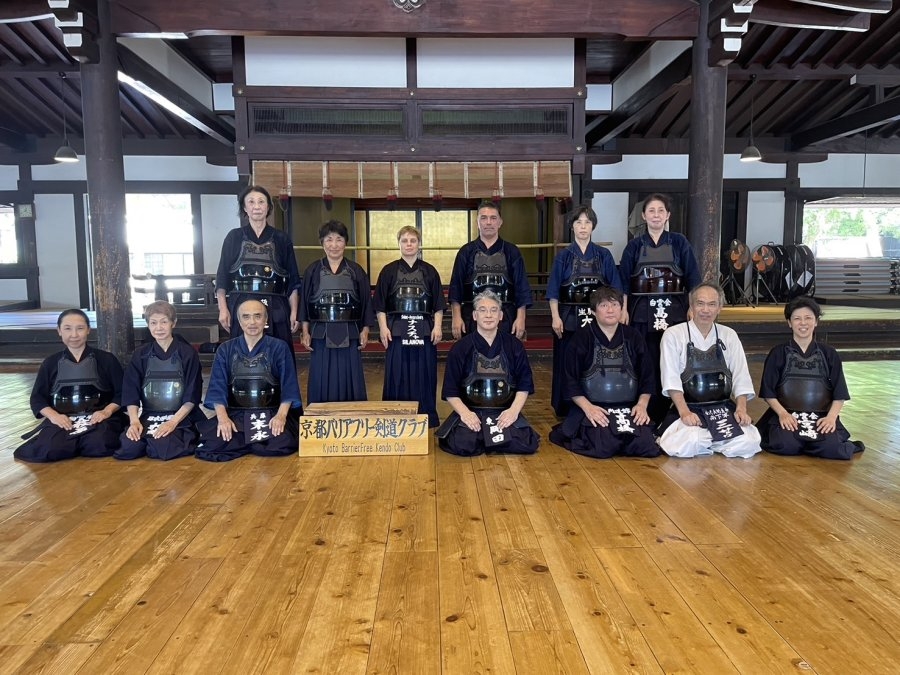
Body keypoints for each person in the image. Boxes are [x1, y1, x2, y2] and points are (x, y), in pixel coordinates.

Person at [549, 287, 659, 459]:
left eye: (615, 305)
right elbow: (570, 380)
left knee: (646, 446)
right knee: (603, 447)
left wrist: (642, 405)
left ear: (621, 309)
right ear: (593, 311)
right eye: (604, 305)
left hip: (628, 408)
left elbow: (647, 376)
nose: (610, 310)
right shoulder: (582, 338)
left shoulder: (633, 336)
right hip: (593, 407)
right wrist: (588, 408)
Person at [619, 194, 701, 422]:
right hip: (641, 311)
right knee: (645, 358)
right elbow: (624, 282)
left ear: (668, 215)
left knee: (674, 358)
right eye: (651, 211)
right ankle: (646, 407)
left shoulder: (679, 242)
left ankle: (675, 408)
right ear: (644, 216)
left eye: (660, 211)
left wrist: (692, 306)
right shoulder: (634, 246)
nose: (656, 215)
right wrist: (624, 309)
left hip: (674, 310)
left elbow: (693, 278)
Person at [657, 283, 762, 458]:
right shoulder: (673, 334)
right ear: (691, 306)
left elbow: (741, 376)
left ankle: (711, 440)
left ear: (720, 307)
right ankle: (713, 440)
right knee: (689, 441)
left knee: (750, 441)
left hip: (722, 409)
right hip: (690, 407)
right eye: (700, 303)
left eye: (712, 304)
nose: (705, 310)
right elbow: (671, 379)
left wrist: (741, 409)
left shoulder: (729, 335)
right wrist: (684, 412)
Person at [757, 296, 864, 459]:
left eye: (808, 318)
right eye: (797, 318)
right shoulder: (778, 353)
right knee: (786, 445)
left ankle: (812, 443)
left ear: (816, 321)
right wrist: (783, 414)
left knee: (832, 448)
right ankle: (806, 444)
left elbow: (839, 393)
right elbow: (768, 393)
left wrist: (831, 418)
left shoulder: (829, 354)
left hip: (820, 416)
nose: (803, 323)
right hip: (788, 415)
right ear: (789, 323)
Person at [196, 299, 302, 461]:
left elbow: (289, 385)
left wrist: (281, 416)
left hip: (270, 413)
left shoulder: (279, 347)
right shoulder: (225, 349)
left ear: (266, 319)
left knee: (282, 443)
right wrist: (223, 419)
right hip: (237, 414)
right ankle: (251, 442)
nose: (252, 322)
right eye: (246, 317)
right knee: (214, 444)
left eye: (257, 316)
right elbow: (217, 387)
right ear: (239, 321)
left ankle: (244, 442)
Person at [14, 309, 126, 462]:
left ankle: (76, 443)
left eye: (80, 328)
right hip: (64, 419)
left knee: (99, 444)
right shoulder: (50, 363)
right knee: (51, 449)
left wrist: (106, 412)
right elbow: (37, 399)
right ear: (59, 331)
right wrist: (54, 417)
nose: (74, 335)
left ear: (88, 330)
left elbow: (122, 393)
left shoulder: (107, 359)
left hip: (99, 419)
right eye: (67, 328)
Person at [436, 290, 539, 456]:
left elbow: (524, 385)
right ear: (475, 315)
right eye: (483, 310)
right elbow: (450, 390)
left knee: (526, 442)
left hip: (503, 413)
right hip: (472, 411)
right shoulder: (460, 348)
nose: (488, 315)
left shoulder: (514, 345)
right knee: (462, 444)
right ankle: (493, 441)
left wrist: (513, 412)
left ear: (501, 315)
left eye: (493, 310)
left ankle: (488, 439)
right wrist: (465, 414)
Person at [546, 204, 624, 417]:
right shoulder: (563, 256)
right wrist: (555, 317)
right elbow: (553, 290)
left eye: (587, 222)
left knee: (595, 358)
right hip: (569, 316)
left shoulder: (603, 255)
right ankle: (565, 405)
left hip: (598, 317)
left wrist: (620, 311)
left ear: (593, 226)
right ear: (572, 226)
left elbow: (616, 288)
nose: (583, 226)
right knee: (567, 361)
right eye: (578, 222)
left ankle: (595, 398)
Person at [215, 185, 302, 352]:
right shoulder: (234, 237)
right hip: (241, 303)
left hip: (276, 305)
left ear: (268, 207)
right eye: (251, 202)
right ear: (244, 207)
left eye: (261, 202)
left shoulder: (281, 238)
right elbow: (222, 277)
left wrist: (294, 312)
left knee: (278, 354)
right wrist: (223, 309)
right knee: (242, 355)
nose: (256, 206)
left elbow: (293, 280)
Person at [373, 225, 445, 427]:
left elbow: (439, 304)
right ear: (399, 244)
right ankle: (395, 416)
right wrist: (383, 328)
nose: (409, 244)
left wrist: (438, 327)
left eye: (413, 240)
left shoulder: (430, 271)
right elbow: (380, 305)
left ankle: (425, 416)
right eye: (404, 241)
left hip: (424, 329)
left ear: (419, 244)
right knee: (397, 372)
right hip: (396, 329)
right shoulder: (388, 271)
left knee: (424, 372)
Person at [115, 301, 205, 461]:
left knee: (164, 446)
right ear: (148, 325)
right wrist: (134, 421)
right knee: (129, 447)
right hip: (150, 413)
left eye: (164, 322)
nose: (159, 328)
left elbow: (192, 394)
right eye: (153, 323)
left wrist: (172, 422)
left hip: (181, 415)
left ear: (173, 323)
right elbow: (131, 391)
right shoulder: (141, 354)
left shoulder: (187, 353)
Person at [299, 220, 374, 403]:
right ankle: (320, 416)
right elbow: (305, 303)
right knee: (321, 377)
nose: (334, 245)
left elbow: (366, 302)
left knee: (350, 377)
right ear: (322, 243)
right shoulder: (312, 270)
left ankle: (352, 415)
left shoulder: (356, 270)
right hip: (320, 333)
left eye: (339, 239)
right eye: (329, 239)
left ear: (345, 242)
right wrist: (305, 331)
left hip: (350, 332)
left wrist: (365, 330)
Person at [448, 201, 533, 340]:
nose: (488, 222)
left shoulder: (512, 251)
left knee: (504, 352)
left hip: (505, 315)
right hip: (472, 316)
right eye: (484, 218)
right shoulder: (466, 252)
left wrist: (521, 318)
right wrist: (456, 317)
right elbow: (456, 287)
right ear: (477, 222)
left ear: (500, 222)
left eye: (493, 218)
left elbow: (521, 287)